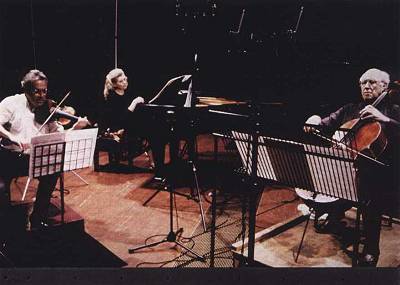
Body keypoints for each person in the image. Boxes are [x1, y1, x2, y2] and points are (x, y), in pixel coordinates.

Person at [304, 68, 400, 266]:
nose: (366, 86)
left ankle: (371, 247)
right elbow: (325, 123)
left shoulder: (394, 110)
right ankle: (332, 214)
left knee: (370, 193)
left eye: (372, 82)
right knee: (324, 175)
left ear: (384, 86)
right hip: (346, 166)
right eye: (363, 83)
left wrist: (385, 119)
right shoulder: (350, 109)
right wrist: (313, 123)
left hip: (379, 170)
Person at [0, 69, 89, 231]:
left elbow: (59, 136)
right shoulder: (11, 103)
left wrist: (76, 127)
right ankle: (5, 227)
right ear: (26, 90)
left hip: (34, 157)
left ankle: (38, 217)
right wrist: (13, 137)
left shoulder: (47, 110)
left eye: (44, 91)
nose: (41, 96)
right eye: (36, 91)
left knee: (52, 171)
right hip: (8, 156)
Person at [97, 68, 144, 169]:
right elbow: (122, 119)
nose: (124, 83)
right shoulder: (111, 97)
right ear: (114, 84)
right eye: (121, 81)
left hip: (126, 125)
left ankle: (154, 163)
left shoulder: (127, 93)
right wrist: (134, 103)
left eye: (125, 80)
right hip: (116, 127)